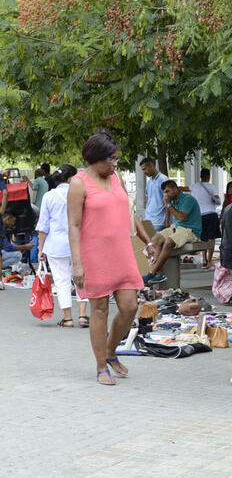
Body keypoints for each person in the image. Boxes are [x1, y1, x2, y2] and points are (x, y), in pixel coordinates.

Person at [67, 130, 156, 385]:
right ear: (96, 157)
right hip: (93, 257)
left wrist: (147, 241)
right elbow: (73, 225)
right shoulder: (78, 183)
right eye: (112, 159)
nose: (115, 163)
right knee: (100, 310)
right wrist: (77, 264)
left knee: (129, 307)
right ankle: (100, 365)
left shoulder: (116, 178)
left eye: (116, 159)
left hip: (122, 253)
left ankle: (110, 351)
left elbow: (129, 214)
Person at [36, 164, 89, 328]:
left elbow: (43, 225)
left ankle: (67, 318)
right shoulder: (82, 194)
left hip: (55, 245)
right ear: (72, 178)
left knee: (61, 280)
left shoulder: (49, 196)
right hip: (79, 243)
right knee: (81, 279)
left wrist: (40, 249)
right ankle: (82, 316)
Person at [144, 180, 202, 283]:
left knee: (168, 242)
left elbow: (180, 218)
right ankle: (160, 274)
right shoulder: (171, 200)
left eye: (168, 191)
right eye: (165, 192)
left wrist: (168, 204)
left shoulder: (188, 199)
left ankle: (152, 273)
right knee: (155, 240)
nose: (166, 194)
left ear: (175, 189)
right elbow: (169, 209)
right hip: (177, 228)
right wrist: (166, 220)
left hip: (190, 230)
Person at [190, 168, 222, 268]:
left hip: (200, 216)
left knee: (203, 238)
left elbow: (184, 188)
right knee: (211, 239)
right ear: (208, 176)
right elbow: (218, 200)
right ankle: (209, 261)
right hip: (211, 215)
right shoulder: (211, 186)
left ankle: (204, 259)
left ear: (200, 176)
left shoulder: (195, 186)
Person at [140, 157, 169, 232]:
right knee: (148, 243)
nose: (144, 172)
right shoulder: (149, 182)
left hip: (159, 222)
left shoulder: (163, 179)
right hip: (149, 219)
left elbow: (168, 200)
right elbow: (147, 197)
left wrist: (167, 220)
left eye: (145, 169)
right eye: (142, 170)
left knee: (155, 243)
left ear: (151, 166)